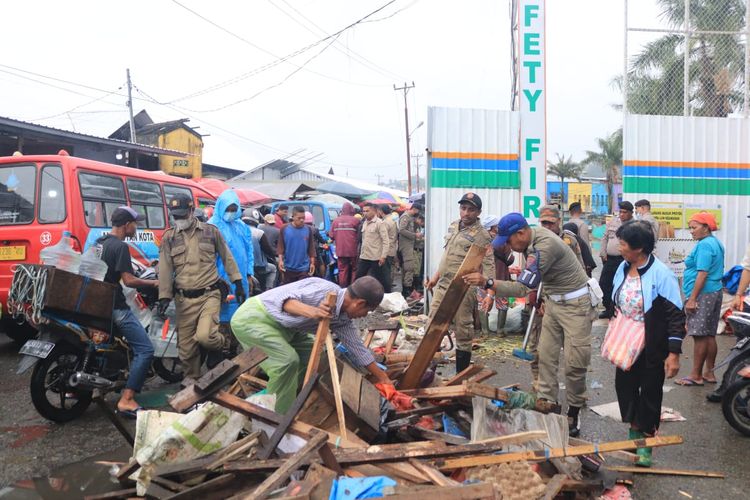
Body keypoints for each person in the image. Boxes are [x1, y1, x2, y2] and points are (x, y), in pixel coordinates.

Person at [464, 212, 595, 436]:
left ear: (521, 233)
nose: (508, 246)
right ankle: (548, 406)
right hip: (553, 301)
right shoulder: (529, 242)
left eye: (509, 240)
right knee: (545, 356)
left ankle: (574, 410)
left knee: (574, 362)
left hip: (576, 304)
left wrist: (488, 282)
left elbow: (522, 288)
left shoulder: (544, 245)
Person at [230, 276, 392, 413]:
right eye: (367, 312)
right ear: (360, 303)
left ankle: (287, 397)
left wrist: (383, 377)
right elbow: (286, 302)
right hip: (254, 318)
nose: (364, 316)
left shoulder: (342, 319)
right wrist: (313, 311)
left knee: (316, 353)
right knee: (287, 362)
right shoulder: (324, 289)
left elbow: (358, 349)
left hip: (287, 328)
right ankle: (274, 417)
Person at [608, 221, 685, 467]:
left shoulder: (661, 274)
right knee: (626, 388)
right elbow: (615, 300)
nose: (619, 247)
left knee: (650, 392)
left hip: (652, 344)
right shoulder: (622, 267)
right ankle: (634, 435)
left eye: (623, 243)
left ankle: (646, 444)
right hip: (626, 342)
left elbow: (676, 315)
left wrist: (673, 354)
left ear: (639, 248)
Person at [159, 193, 244, 380]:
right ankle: (192, 381)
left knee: (206, 336)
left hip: (209, 294)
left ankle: (221, 345)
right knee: (186, 349)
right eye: (176, 217)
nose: (179, 220)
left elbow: (227, 257)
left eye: (182, 215)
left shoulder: (211, 231)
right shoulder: (169, 238)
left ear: (191, 211)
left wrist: (238, 282)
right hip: (183, 299)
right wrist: (164, 296)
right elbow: (164, 268)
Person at [96, 207, 158, 417]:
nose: (136, 227)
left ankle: (87, 388)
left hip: (97, 305)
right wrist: (153, 282)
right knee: (145, 349)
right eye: (134, 223)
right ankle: (127, 399)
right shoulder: (120, 246)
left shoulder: (100, 243)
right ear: (126, 225)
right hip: (116, 306)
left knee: (105, 345)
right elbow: (129, 281)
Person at [425, 193, 494, 373]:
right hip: (443, 284)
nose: (466, 213)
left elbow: (488, 265)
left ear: (478, 212)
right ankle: (428, 367)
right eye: (463, 208)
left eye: (471, 210)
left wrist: (490, 293)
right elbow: (447, 256)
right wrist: (435, 277)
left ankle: (460, 374)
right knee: (432, 324)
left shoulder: (482, 235)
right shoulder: (454, 226)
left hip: (463, 287)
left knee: (463, 328)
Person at [676, 212, 725, 387]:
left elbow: (702, 273)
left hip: (703, 293)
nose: (691, 231)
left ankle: (696, 375)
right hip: (714, 291)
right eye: (690, 227)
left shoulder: (705, 245)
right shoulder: (715, 243)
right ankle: (709, 373)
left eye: (694, 227)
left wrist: (692, 299)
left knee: (699, 335)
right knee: (709, 334)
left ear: (706, 227)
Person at [209, 191, 255, 365]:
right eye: (228, 208)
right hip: (220, 279)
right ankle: (220, 352)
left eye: (234, 208)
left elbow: (249, 251)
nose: (231, 211)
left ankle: (233, 350)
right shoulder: (212, 226)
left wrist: (249, 274)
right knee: (220, 317)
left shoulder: (241, 227)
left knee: (239, 315)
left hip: (241, 279)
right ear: (221, 207)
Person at [599, 201, 635, 319]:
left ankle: (619, 309)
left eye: (625, 212)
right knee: (604, 284)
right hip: (610, 260)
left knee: (622, 285)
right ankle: (608, 308)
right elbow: (604, 237)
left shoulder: (635, 225)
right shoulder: (613, 222)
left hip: (624, 260)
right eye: (620, 212)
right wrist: (603, 253)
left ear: (631, 213)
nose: (622, 214)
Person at [357, 202, 391, 292]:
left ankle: (387, 296)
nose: (365, 213)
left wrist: (383, 256)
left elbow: (386, 241)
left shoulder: (380, 223)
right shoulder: (364, 223)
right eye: (363, 211)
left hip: (376, 257)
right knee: (358, 277)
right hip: (364, 256)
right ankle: (356, 295)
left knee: (382, 280)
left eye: (367, 211)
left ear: (374, 211)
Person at [277, 206, 316, 285]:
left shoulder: (308, 229)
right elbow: (281, 246)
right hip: (288, 267)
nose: (302, 220)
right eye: (299, 218)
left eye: (303, 218)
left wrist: (312, 263)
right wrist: (280, 260)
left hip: (303, 268)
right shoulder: (284, 228)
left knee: (302, 291)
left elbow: (311, 247)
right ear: (293, 217)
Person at [243, 208, 277, 292]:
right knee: (273, 269)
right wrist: (274, 254)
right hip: (258, 266)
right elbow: (267, 250)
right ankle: (268, 290)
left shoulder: (238, 231)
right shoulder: (259, 233)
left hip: (242, 265)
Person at [329, 203, 360, 287]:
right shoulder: (356, 221)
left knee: (342, 270)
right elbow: (360, 236)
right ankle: (353, 288)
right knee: (354, 269)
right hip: (353, 251)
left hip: (340, 251)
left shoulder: (335, 221)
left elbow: (331, 237)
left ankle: (342, 287)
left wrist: (327, 244)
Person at [398, 203, 423, 300]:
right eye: (418, 211)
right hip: (406, 246)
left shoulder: (410, 218)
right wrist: (414, 235)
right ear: (415, 209)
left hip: (409, 245)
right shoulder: (406, 217)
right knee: (409, 268)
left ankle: (407, 290)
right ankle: (406, 291)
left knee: (408, 269)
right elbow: (402, 230)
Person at [378, 204, 398, 291]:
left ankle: (387, 290)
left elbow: (384, 238)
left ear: (381, 212)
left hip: (386, 250)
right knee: (390, 271)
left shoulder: (385, 222)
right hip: (392, 248)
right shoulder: (393, 219)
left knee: (385, 272)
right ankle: (388, 288)